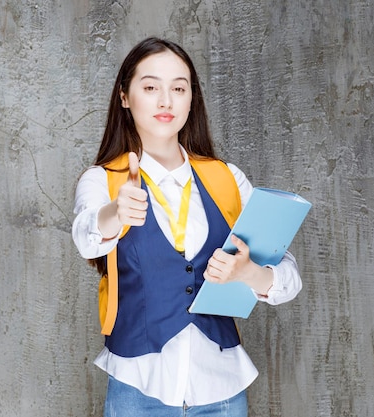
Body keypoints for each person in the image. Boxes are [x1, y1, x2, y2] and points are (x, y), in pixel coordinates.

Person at [72, 37, 302, 417]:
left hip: (222, 390)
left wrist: (249, 273)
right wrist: (114, 214)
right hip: (137, 390)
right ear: (125, 96)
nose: (166, 101)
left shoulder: (226, 178)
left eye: (179, 88)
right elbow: (85, 237)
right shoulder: (103, 181)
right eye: (150, 87)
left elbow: (288, 276)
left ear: (191, 98)